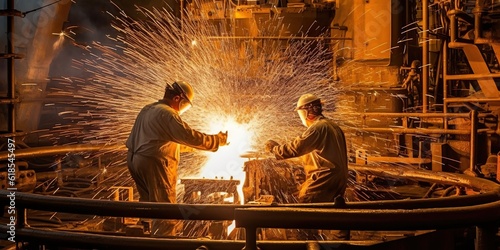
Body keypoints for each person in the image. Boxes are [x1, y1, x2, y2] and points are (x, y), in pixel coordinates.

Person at [126, 81, 228, 237]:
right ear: (178, 98)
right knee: (165, 209)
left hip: (135, 160)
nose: (183, 109)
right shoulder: (167, 113)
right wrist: (216, 141)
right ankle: (164, 243)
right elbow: (188, 136)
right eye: (185, 105)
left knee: (148, 202)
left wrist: (195, 149)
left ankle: (145, 236)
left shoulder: (148, 109)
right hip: (155, 164)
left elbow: (164, 140)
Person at [264, 93, 349, 240]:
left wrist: (275, 149)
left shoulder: (318, 128)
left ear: (307, 111)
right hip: (339, 178)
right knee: (336, 213)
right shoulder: (333, 126)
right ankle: (340, 244)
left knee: (304, 209)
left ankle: (307, 244)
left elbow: (298, 147)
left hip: (323, 177)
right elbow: (317, 153)